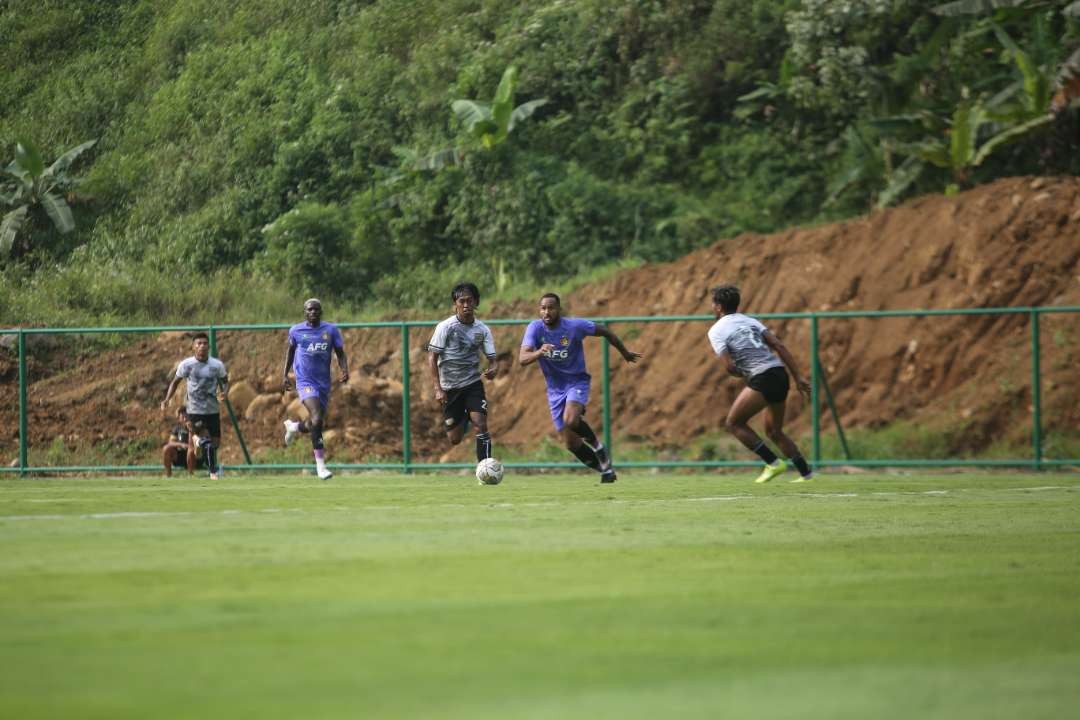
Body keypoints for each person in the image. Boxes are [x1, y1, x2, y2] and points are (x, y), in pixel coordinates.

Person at [519, 293, 642, 483]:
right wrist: (539, 351)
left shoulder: (574, 326)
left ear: (559, 309)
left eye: (551, 307)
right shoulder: (535, 328)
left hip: (577, 382)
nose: (547, 312)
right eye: (543, 308)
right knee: (570, 442)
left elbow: (605, 331)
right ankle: (606, 470)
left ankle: (599, 448)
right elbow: (522, 359)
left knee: (571, 419)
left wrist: (624, 352)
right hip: (554, 390)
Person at [707, 284, 814, 483]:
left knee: (734, 423)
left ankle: (773, 463)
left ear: (719, 307)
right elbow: (778, 345)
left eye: (713, 304)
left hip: (763, 377)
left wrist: (742, 374)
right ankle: (806, 474)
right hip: (780, 373)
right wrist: (798, 376)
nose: (712, 307)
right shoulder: (750, 321)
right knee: (774, 431)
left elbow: (729, 367)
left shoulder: (716, 330)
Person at [427, 282, 497, 463]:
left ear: (476, 302)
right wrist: (438, 388)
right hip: (450, 388)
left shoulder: (482, 330)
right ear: (455, 304)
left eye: (470, 301)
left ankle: (485, 469)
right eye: (461, 301)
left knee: (481, 425)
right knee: (455, 439)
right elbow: (432, 358)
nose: (466, 305)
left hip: (472, 384)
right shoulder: (445, 327)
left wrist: (493, 369)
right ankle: (463, 415)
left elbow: (493, 360)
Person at [282, 298, 350, 480]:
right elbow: (290, 351)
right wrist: (285, 374)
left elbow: (340, 353)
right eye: (309, 309)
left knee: (315, 422)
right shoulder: (296, 330)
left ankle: (294, 427)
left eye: (316, 309)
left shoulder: (330, 330)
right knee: (317, 417)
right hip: (305, 381)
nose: (313, 312)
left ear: (321, 312)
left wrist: (344, 370)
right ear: (305, 312)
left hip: (323, 383)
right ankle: (321, 467)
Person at [161, 332, 229, 480]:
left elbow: (225, 381)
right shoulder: (187, 365)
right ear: (193, 347)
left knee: (215, 444)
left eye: (205, 343)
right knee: (207, 443)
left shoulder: (217, 365)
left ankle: (198, 444)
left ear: (209, 346)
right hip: (194, 410)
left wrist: (224, 392)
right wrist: (167, 399)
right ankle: (213, 473)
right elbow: (175, 382)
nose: (202, 346)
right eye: (199, 343)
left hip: (213, 410)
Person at [161, 405, 198, 477]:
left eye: (186, 417)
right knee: (166, 448)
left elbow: (195, 443)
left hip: (194, 456)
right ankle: (168, 475)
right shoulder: (177, 428)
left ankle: (191, 475)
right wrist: (181, 445)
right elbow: (171, 442)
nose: (185, 419)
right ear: (179, 419)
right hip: (180, 455)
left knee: (191, 451)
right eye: (182, 417)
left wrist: (190, 431)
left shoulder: (195, 427)